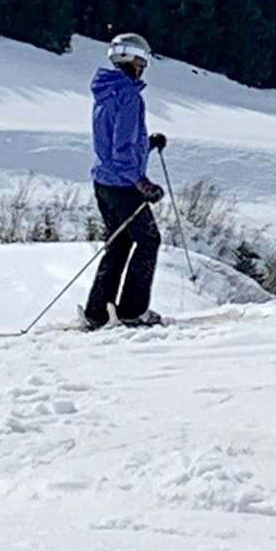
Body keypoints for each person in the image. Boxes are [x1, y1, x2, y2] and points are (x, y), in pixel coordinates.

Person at [85, 32, 168, 330]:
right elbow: (122, 151)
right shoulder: (130, 95)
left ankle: (97, 312)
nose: (144, 65)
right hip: (123, 184)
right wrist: (141, 182)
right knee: (148, 239)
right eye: (142, 59)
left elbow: (114, 139)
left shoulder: (106, 89)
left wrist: (147, 143)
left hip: (103, 181)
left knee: (118, 243)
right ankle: (133, 311)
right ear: (133, 59)